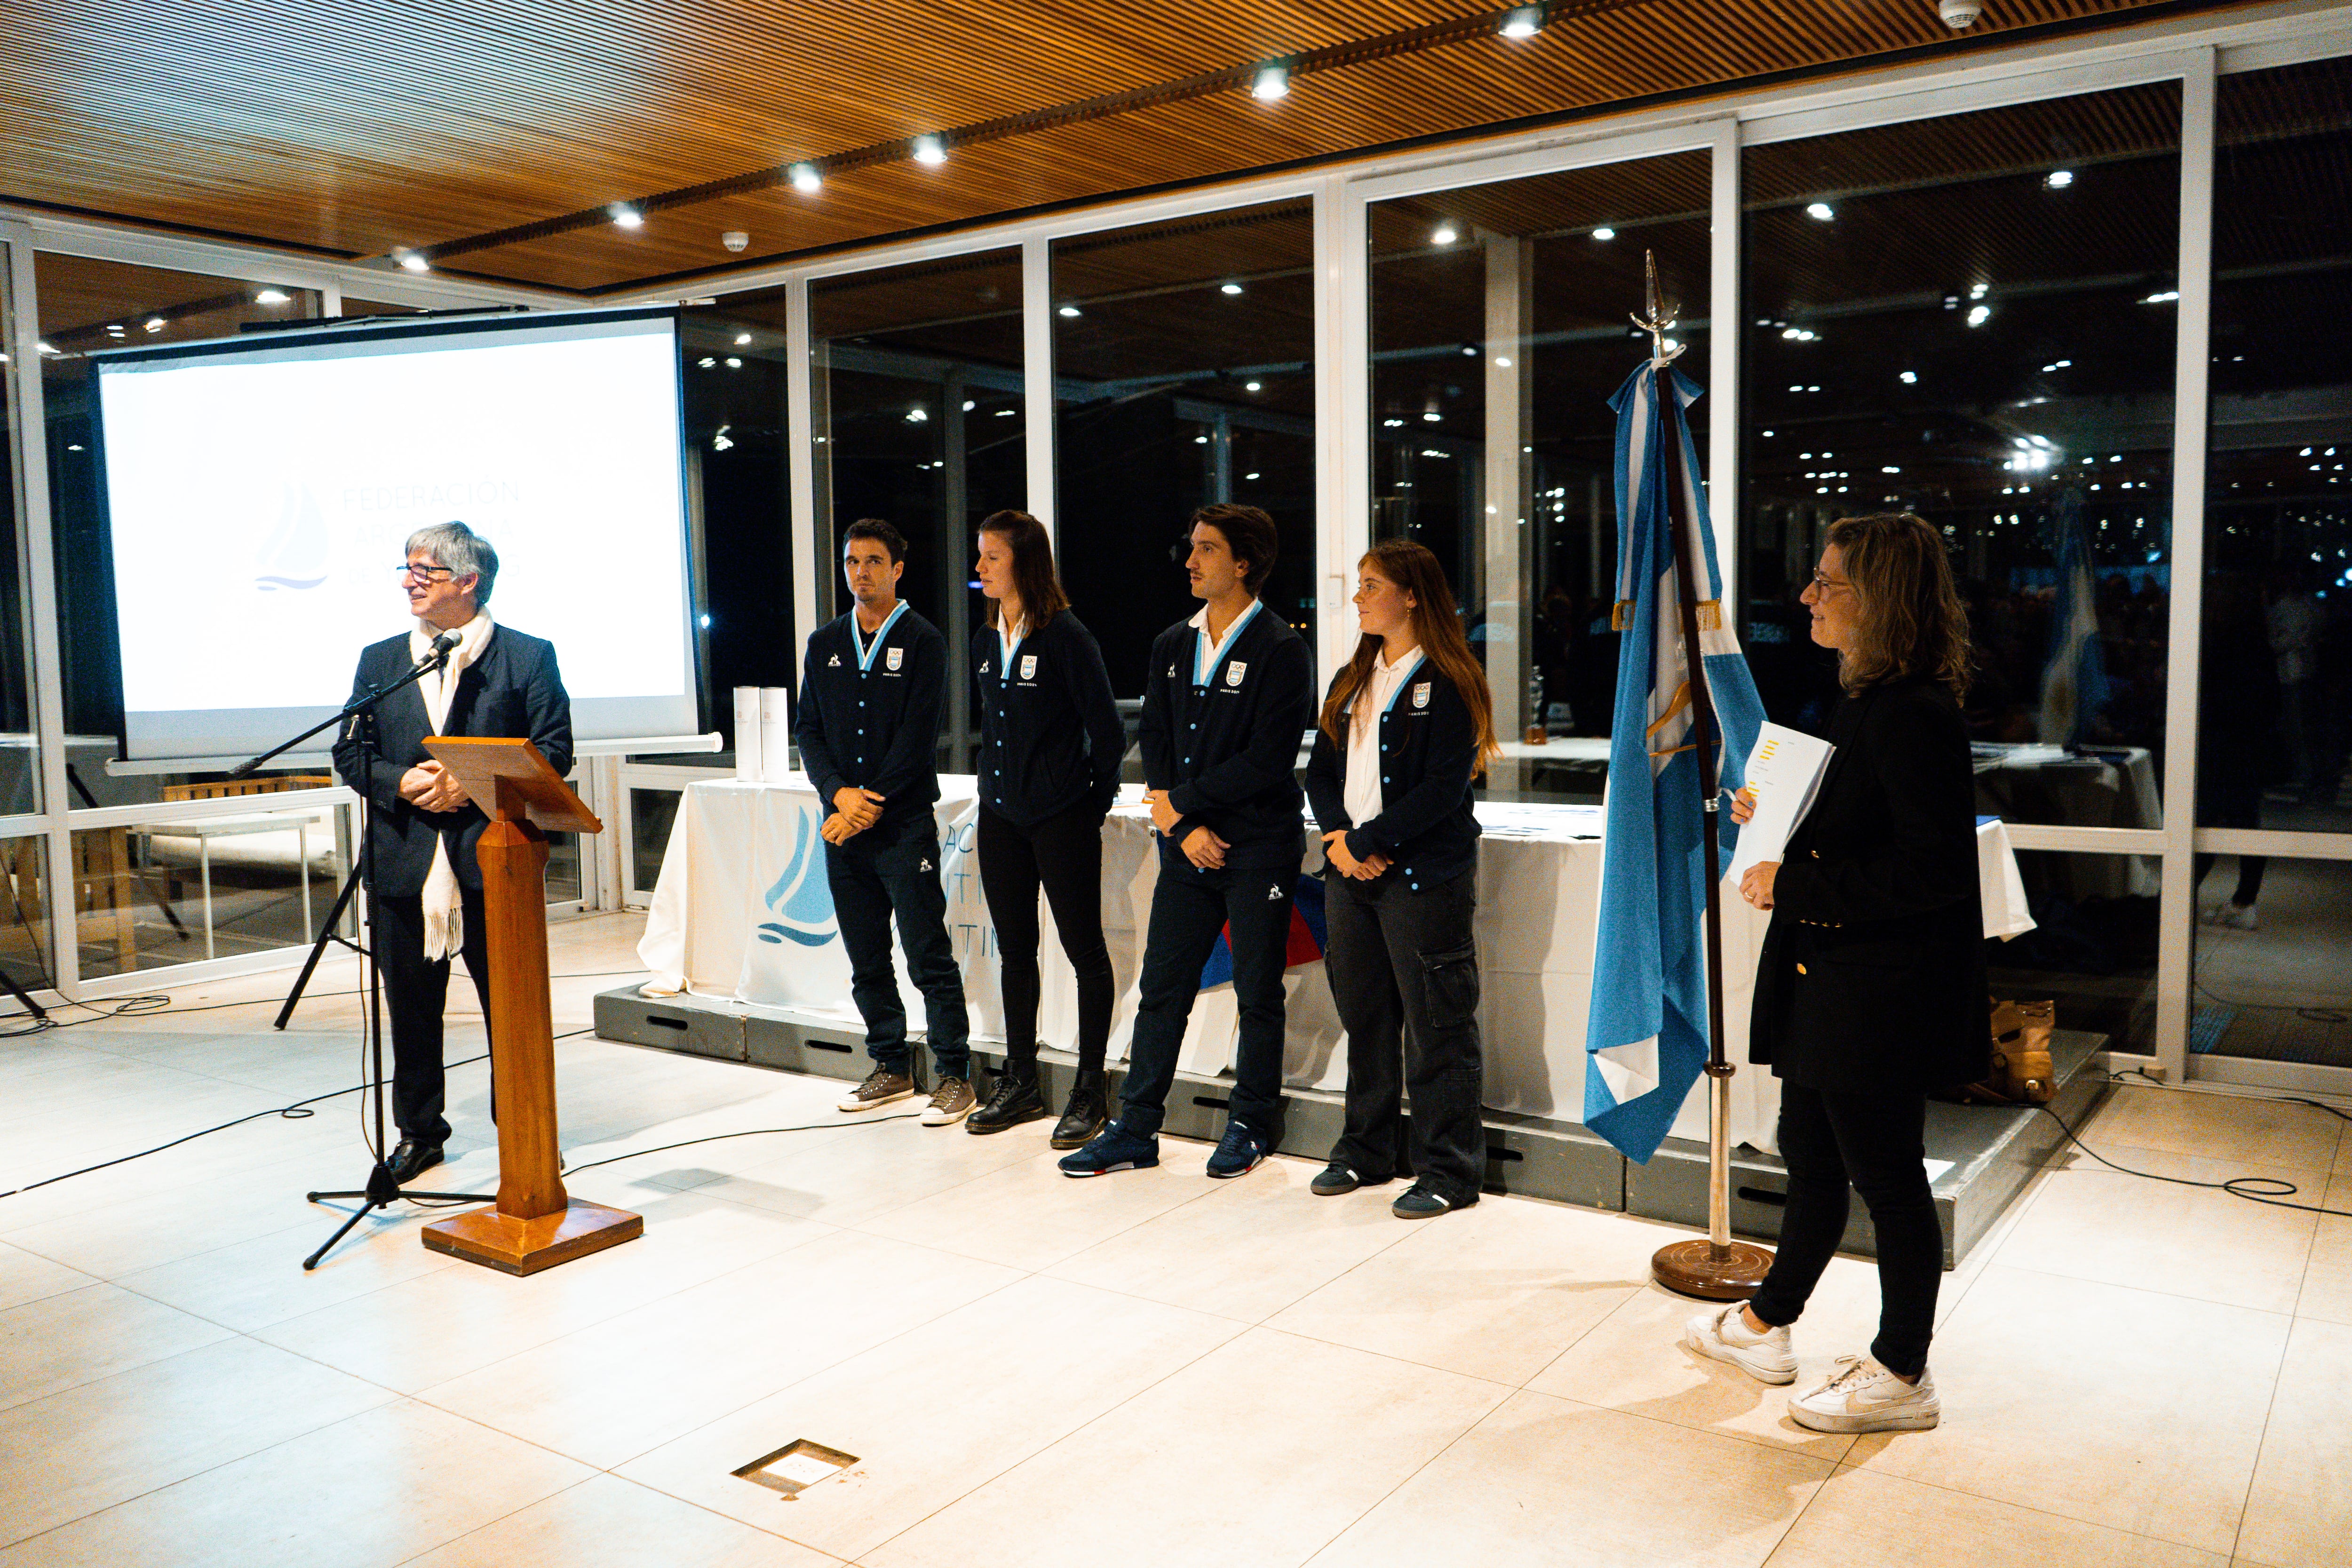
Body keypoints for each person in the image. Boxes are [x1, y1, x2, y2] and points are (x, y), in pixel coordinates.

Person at [1684, 511, 1985, 1435]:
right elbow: (1857, 824)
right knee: (1810, 1155)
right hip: (1833, 977)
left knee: (1886, 1174)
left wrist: (1795, 875)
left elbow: (1930, 871)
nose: (1808, 596)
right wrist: (1771, 812)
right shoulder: (1866, 701)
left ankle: (1903, 1368)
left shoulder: (1915, 714)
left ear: (1880, 599)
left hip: (1874, 990)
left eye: (1828, 583)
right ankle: (1766, 1319)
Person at [1059, 503, 1315, 1179]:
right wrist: (1184, 825)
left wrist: (1185, 807)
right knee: (1163, 989)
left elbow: (1267, 758)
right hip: (1188, 847)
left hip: (1258, 846)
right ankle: (1136, 1126)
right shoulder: (1174, 642)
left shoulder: (1282, 648)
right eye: (1192, 547)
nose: (1191, 560)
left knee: (1259, 991)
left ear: (1244, 563)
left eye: (1206, 549)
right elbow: (1160, 741)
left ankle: (1252, 1122)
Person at [333, 521, 572, 1184]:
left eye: (425, 571)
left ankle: (526, 1128)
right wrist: (401, 781)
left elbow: (553, 751)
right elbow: (351, 751)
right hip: (406, 860)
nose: (410, 581)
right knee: (410, 1010)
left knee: (512, 1011)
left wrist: (470, 782)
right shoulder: (382, 661)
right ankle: (419, 1133)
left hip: (494, 861)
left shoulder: (526, 656)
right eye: (407, 569)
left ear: (468, 582)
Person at [1304, 540, 1500, 1218]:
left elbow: (1446, 788)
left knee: (1438, 1025)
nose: (1358, 597)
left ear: (1412, 595)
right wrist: (1339, 840)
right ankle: (1367, 1149)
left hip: (1422, 876)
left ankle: (1449, 1169)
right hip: (1350, 874)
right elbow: (1320, 774)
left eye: (1371, 585)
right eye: (1358, 585)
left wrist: (1368, 841)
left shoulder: (1450, 677)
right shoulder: (1350, 678)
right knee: (1367, 1018)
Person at [794, 519, 974, 1125]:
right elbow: (809, 734)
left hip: (901, 825)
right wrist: (839, 796)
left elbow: (918, 737)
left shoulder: (924, 640)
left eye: (874, 561)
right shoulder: (825, 644)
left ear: (898, 569)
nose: (861, 572)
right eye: (852, 562)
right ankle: (891, 1066)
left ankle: (955, 1075)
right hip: (842, 826)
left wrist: (866, 805)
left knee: (927, 953)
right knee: (865, 955)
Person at [964, 510, 1125, 1145]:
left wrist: (1090, 804)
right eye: (979, 557)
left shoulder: (1067, 636)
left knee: (1085, 951)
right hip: (1000, 816)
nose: (979, 569)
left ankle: (1091, 1090)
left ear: (1025, 564)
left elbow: (1109, 734)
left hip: (1060, 816)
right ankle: (1022, 1081)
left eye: (991, 558)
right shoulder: (986, 640)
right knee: (1015, 950)